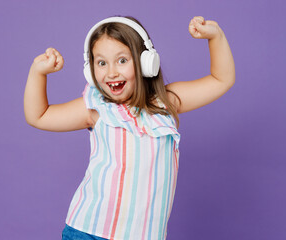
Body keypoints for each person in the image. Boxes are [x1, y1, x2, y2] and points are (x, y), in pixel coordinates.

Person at [24, 15, 235, 240]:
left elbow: (221, 79)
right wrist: (38, 73)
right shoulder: (96, 108)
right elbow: (39, 116)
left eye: (122, 60)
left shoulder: (167, 102)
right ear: (91, 70)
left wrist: (215, 36)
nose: (111, 72)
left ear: (146, 62)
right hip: (88, 231)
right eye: (102, 63)